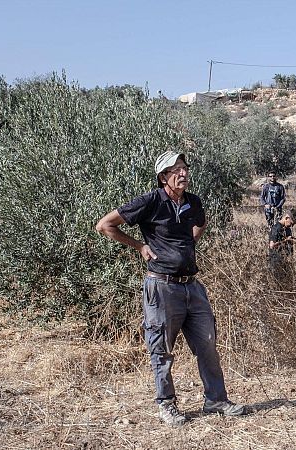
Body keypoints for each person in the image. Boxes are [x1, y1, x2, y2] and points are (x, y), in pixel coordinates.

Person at [95, 150, 245, 427]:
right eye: (176, 170)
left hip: (193, 288)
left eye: (185, 168)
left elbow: (201, 223)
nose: (183, 174)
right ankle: (167, 405)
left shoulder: (193, 202)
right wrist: (140, 246)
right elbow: (105, 225)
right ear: (163, 176)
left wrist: (186, 246)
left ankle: (216, 400)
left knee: (208, 344)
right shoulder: (150, 201)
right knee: (161, 349)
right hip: (161, 288)